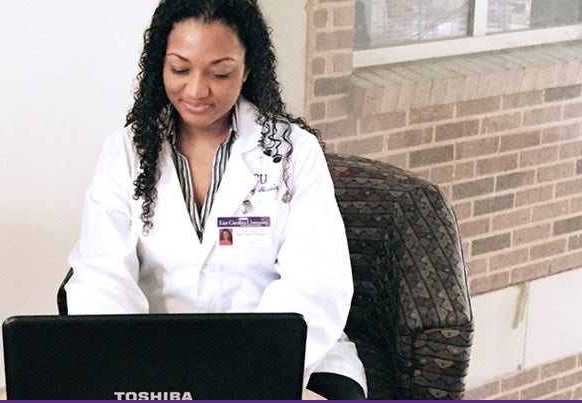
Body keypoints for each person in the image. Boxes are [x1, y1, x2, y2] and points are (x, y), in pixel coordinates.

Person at [64, 0, 366, 399]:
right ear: (161, 65)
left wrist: (250, 371)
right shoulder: (126, 152)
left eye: (220, 73)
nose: (196, 90)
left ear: (247, 70)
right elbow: (102, 278)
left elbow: (317, 282)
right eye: (180, 69)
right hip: (156, 355)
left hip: (283, 354)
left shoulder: (294, 151)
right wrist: (140, 370)